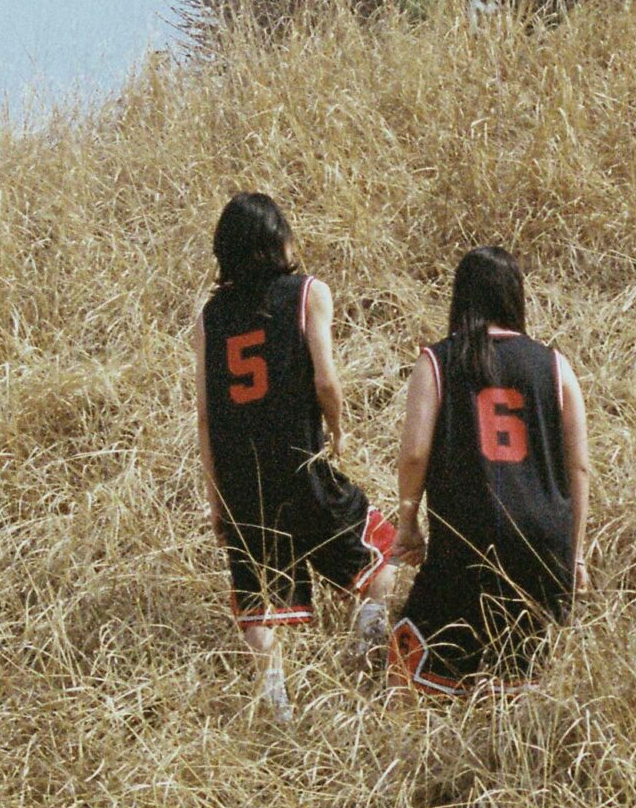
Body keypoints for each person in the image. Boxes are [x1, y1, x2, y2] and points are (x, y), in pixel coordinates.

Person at [193, 193, 397, 722]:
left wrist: (217, 500)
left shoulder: (210, 318)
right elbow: (325, 379)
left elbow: (206, 418)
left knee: (258, 601)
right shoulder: (308, 293)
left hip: (242, 481)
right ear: (276, 241)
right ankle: (368, 642)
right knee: (379, 554)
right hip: (301, 466)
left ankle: (276, 704)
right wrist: (339, 429)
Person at [389, 245, 591, 694]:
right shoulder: (555, 365)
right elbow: (578, 467)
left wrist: (407, 523)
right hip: (541, 539)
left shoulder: (436, 361)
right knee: (522, 676)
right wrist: (573, 555)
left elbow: (414, 454)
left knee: (413, 666)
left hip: (467, 536)